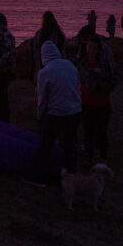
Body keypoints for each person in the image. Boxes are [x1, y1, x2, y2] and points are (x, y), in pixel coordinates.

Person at [32, 40, 81, 184]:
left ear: (43, 56)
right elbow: (77, 87)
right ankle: (71, 177)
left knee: (46, 144)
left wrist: (39, 117)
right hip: (75, 111)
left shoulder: (44, 72)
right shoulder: (70, 66)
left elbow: (42, 100)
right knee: (69, 144)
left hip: (56, 113)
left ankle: (41, 178)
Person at [76, 36, 118, 162]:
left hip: (103, 103)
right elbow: (89, 82)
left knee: (102, 130)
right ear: (86, 48)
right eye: (89, 47)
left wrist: (104, 85)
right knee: (89, 130)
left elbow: (113, 80)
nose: (91, 50)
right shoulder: (82, 64)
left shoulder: (106, 64)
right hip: (87, 102)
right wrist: (102, 85)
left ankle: (102, 155)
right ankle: (89, 156)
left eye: (94, 47)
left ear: (99, 49)